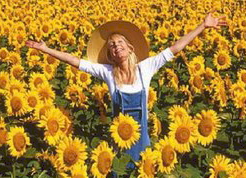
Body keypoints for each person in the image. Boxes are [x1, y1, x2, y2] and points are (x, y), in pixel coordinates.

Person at [26, 12, 227, 162]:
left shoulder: (145, 69)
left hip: (143, 145)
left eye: (120, 42)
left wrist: (203, 25)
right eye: (111, 45)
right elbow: (75, 61)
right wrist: (45, 49)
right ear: (110, 55)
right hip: (118, 147)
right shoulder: (107, 72)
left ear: (130, 47)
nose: (116, 46)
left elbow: (175, 48)